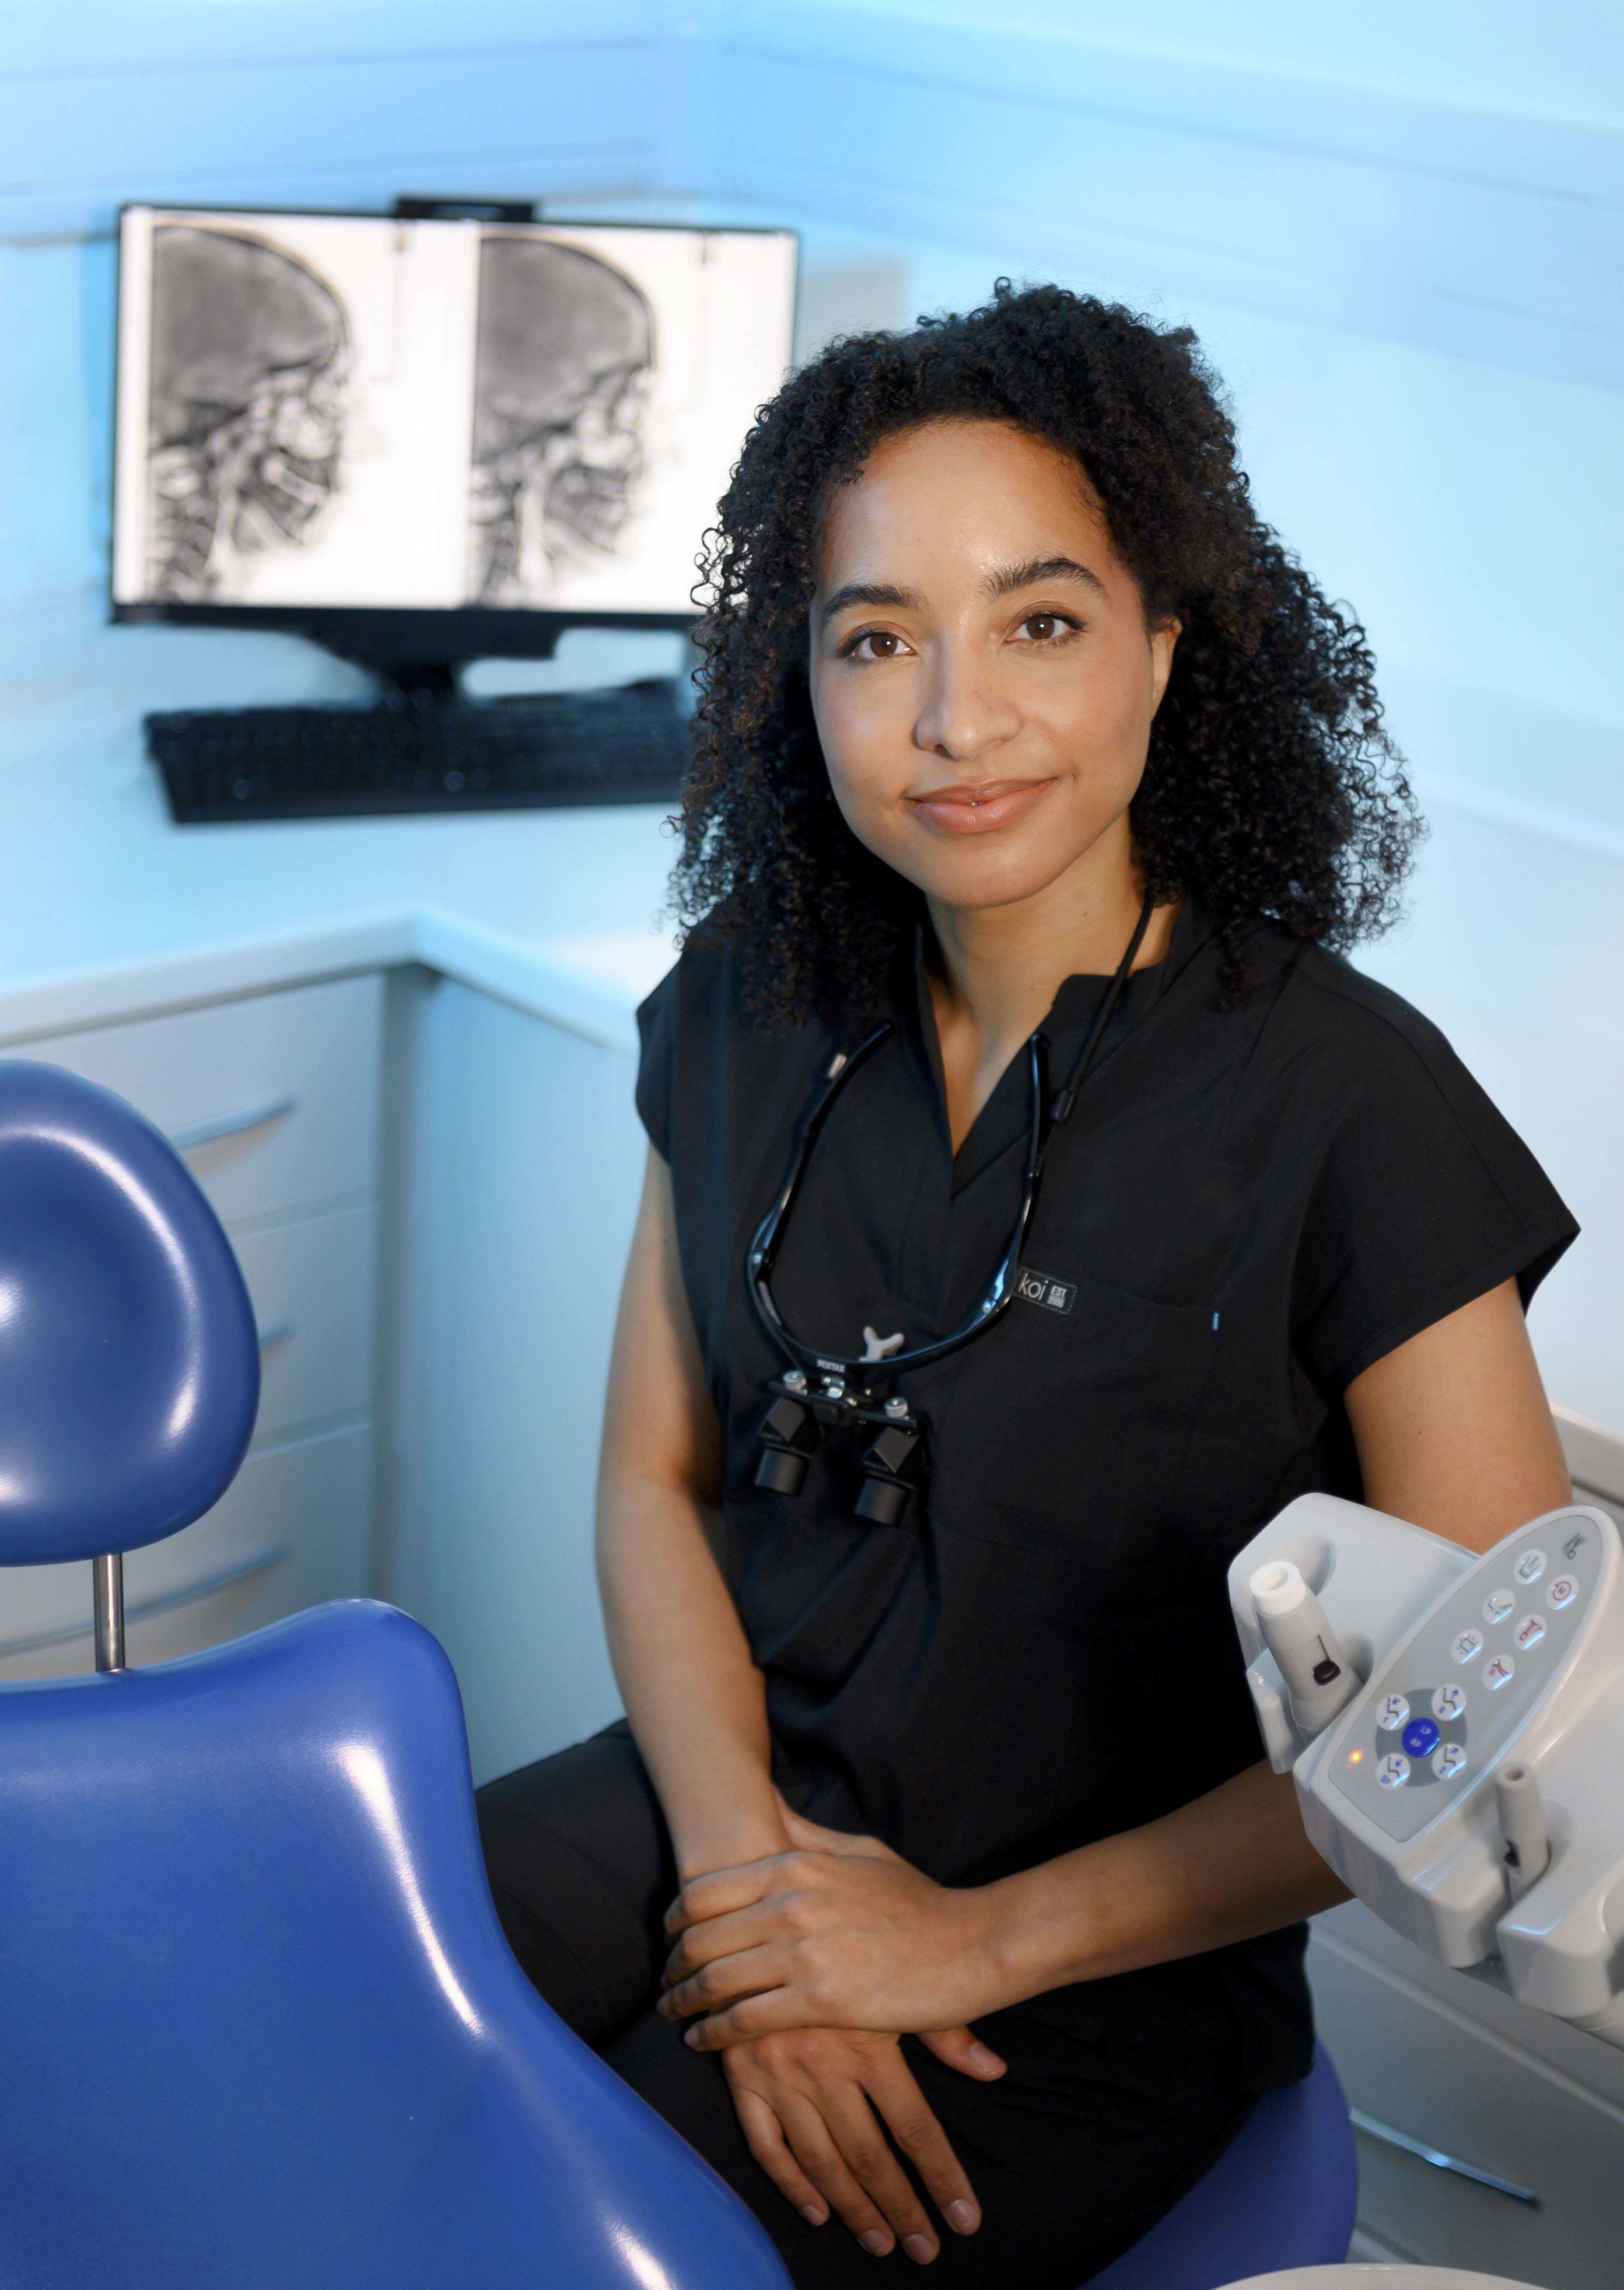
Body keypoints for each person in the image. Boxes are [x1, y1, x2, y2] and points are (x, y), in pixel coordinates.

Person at [477, 283, 1576, 2288]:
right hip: (723, 1800)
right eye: (876, 638)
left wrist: (957, 1941)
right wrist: (753, 1879)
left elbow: (1477, 1730)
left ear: (1171, 647)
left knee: (554, 2234)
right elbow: (656, 1473)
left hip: (1087, 1951)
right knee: (286, 2018)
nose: (951, 720)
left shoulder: (1350, 1103)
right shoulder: (748, 994)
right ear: (792, 679)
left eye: (1040, 624)